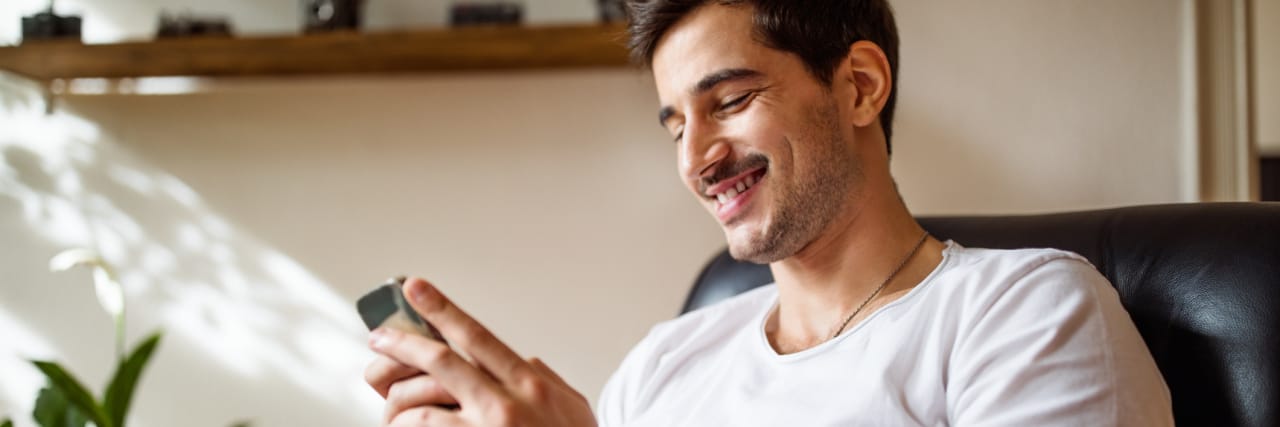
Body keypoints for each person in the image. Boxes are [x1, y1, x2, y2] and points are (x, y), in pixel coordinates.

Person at [363, 0, 1176, 425]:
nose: (695, 158)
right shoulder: (666, 363)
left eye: (732, 100)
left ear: (859, 85)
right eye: (676, 123)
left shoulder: (1027, 314)